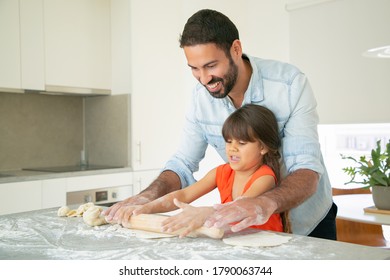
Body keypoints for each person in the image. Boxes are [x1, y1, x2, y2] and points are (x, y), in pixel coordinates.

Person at [104, 9, 336, 240]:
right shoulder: (200, 98)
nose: (204, 79)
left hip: (309, 220)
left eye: (211, 66)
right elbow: (182, 165)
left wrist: (261, 204)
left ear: (236, 49)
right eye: (194, 69)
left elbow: (305, 169)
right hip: (247, 229)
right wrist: (145, 199)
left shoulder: (289, 84)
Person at [130, 104, 287, 237]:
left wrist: (202, 213)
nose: (232, 148)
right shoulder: (221, 172)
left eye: (241, 142)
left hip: (266, 245)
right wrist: (146, 207)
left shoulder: (265, 177)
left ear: (263, 147)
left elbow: (238, 207)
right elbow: (183, 195)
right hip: (236, 242)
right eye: (229, 141)